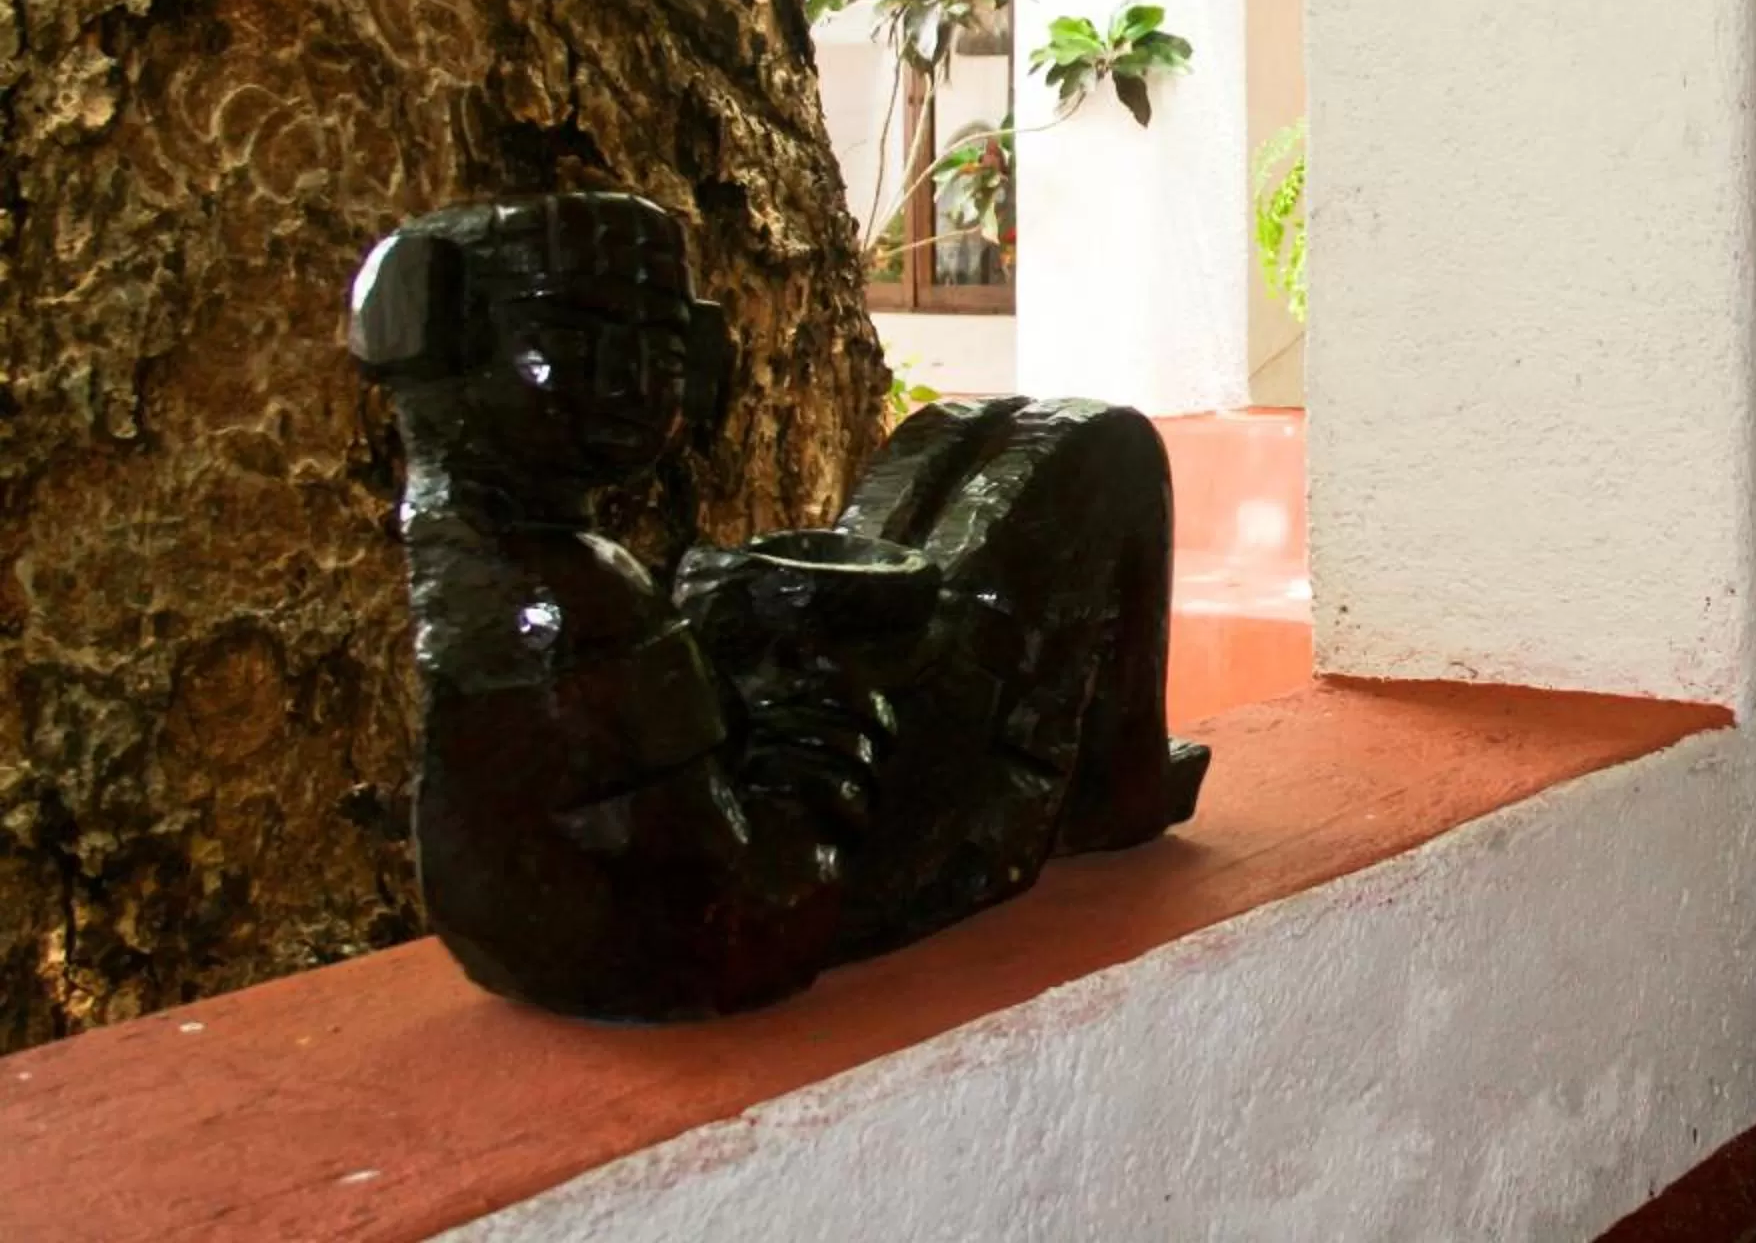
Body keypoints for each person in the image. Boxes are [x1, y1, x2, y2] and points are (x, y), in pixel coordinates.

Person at [348, 192, 1205, 1020]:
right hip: (788, 888)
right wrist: (824, 710)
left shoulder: (487, 558)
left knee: (954, 433)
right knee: (1098, 448)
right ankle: (1114, 786)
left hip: (672, 882)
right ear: (444, 336)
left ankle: (1103, 776)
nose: (631, 382)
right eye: (578, 338)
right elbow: (748, 917)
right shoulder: (567, 598)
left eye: (659, 348)